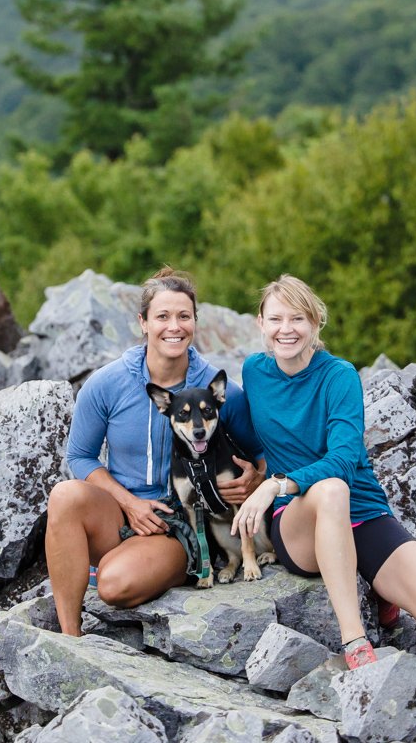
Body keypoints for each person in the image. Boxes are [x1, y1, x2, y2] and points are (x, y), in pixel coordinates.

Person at [232, 274, 416, 669]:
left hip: (362, 514)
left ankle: (380, 591)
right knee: (329, 491)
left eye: (297, 319)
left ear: (315, 323)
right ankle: (355, 639)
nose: (286, 330)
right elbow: (241, 425)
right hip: (300, 522)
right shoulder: (255, 372)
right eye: (276, 319)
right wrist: (253, 472)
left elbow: (345, 459)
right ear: (260, 323)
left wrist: (273, 484)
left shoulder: (339, 376)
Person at [46, 267, 265, 636]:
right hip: (120, 511)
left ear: (195, 321)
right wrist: (129, 503)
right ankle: (71, 637)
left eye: (183, 316)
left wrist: (254, 479)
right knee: (65, 495)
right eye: (162, 316)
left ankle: (153, 565)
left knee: (113, 586)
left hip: (177, 524)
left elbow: (260, 450)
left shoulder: (216, 390)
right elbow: (79, 456)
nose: (173, 326)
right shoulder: (107, 383)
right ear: (143, 323)